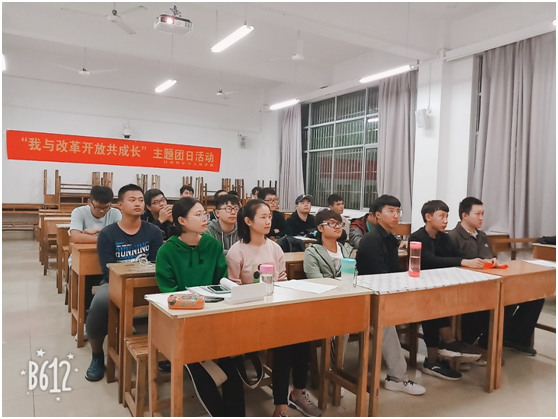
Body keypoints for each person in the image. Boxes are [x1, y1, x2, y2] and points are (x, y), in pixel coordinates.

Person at [226, 200, 320, 417]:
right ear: (248, 221)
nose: (268, 221)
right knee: (284, 343)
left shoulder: (275, 248)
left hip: (276, 309)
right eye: (263, 217)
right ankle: (280, 406)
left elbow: (282, 280)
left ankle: (297, 393)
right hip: (249, 314)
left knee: (303, 335)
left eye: (269, 216)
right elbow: (233, 289)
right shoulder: (236, 251)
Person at [155, 197, 245, 417]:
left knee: (231, 360)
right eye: (198, 215)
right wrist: (197, 305)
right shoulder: (166, 251)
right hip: (182, 320)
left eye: (205, 214)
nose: (205, 218)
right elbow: (169, 294)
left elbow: (221, 283)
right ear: (182, 220)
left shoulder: (213, 245)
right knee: (197, 362)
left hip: (213, 316)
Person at [85, 184, 163, 382]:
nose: (138, 204)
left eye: (141, 200)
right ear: (119, 205)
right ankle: (97, 355)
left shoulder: (154, 231)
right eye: (132, 200)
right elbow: (108, 269)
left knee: (171, 300)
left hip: (147, 282)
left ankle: (164, 349)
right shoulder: (108, 234)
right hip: (116, 282)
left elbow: (155, 264)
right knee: (98, 304)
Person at [449, 197, 543, 356]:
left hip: (490, 282)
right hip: (469, 287)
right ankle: (486, 342)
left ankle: (515, 339)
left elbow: (489, 257)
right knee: (505, 301)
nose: (481, 217)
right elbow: (453, 265)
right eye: (477, 214)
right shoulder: (453, 237)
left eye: (483, 213)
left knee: (535, 296)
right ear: (465, 215)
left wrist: (493, 261)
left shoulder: (481, 235)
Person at [354, 195, 426, 395]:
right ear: (377, 215)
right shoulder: (371, 240)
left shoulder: (390, 239)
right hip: (368, 297)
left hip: (385, 294)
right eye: (391, 211)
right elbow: (377, 277)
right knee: (385, 324)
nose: (396, 215)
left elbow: (394, 272)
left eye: (398, 211)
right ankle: (397, 378)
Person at [408, 200, 483, 381]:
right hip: (420, 287)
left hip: (441, 286)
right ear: (428, 217)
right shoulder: (417, 237)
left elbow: (457, 255)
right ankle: (437, 354)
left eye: (447, 216)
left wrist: (479, 261)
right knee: (432, 304)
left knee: (445, 302)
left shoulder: (443, 237)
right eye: (441, 216)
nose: (445, 220)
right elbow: (430, 260)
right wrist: (462, 262)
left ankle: (446, 347)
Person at [69, 186, 122, 313]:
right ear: (89, 202)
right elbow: (75, 236)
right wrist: (106, 238)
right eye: (98, 207)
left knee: (117, 279)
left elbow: (120, 236)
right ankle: (86, 315)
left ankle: (114, 314)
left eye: (106, 207)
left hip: (109, 262)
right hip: (82, 262)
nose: (102, 211)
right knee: (84, 281)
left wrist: (98, 231)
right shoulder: (79, 212)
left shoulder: (115, 213)